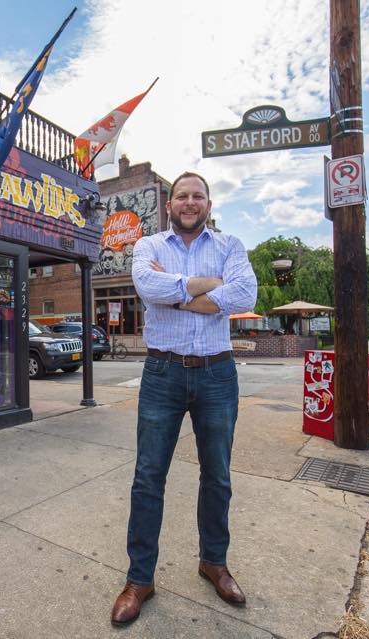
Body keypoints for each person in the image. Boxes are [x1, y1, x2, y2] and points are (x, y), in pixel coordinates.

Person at [110, 172, 258, 626]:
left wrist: (175, 293)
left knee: (218, 476)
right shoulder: (149, 247)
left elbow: (245, 293)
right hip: (163, 372)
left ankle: (214, 562)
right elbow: (146, 288)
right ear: (169, 204)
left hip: (217, 373)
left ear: (209, 203)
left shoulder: (231, 245)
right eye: (182, 196)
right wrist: (207, 285)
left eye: (198, 196)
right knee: (148, 477)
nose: (190, 203)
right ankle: (140, 579)